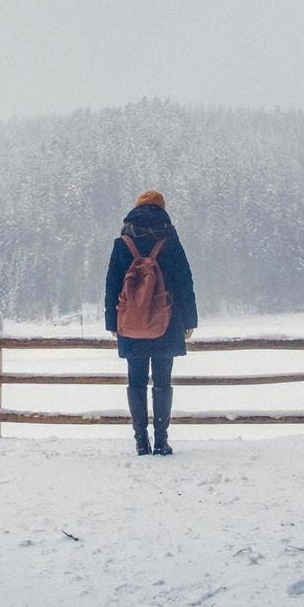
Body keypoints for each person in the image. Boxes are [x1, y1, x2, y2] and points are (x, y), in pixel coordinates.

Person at [104, 190, 199, 456]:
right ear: (162, 208)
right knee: (162, 381)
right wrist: (189, 320)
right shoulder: (170, 239)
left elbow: (112, 285)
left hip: (130, 322)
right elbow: (184, 282)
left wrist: (112, 322)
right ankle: (161, 440)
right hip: (166, 322)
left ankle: (140, 441)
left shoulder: (123, 242)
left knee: (136, 382)